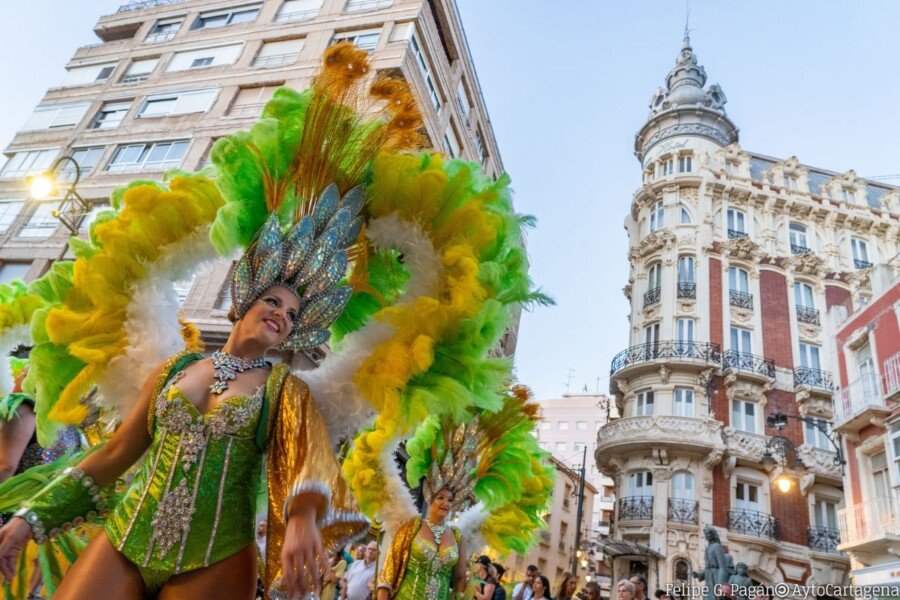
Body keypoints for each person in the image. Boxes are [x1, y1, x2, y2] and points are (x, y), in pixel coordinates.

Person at [0, 271, 369, 597]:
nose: (281, 315)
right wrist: (33, 517)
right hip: (128, 535)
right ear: (242, 300)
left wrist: (302, 518)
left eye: (291, 315)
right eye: (272, 301)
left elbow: (308, 456)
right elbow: (114, 455)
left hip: (217, 556)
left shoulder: (285, 388)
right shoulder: (173, 369)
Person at [376, 487, 466, 599]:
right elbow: (389, 568)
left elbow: (460, 578)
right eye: (440, 498)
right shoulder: (412, 526)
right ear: (430, 498)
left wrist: (460, 596)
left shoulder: (456, 535)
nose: (446, 503)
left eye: (450, 500)